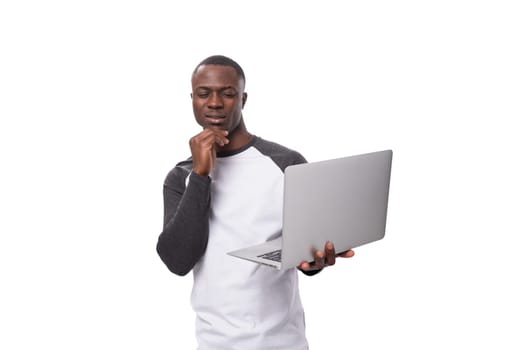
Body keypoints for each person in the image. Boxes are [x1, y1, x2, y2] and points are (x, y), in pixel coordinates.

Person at [156, 55, 355, 349]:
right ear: (193, 99)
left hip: (282, 343)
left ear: (243, 99)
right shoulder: (181, 176)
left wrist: (315, 263)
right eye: (203, 93)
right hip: (214, 343)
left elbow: (305, 250)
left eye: (227, 93)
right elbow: (177, 260)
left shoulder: (286, 163)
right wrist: (201, 174)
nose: (214, 102)